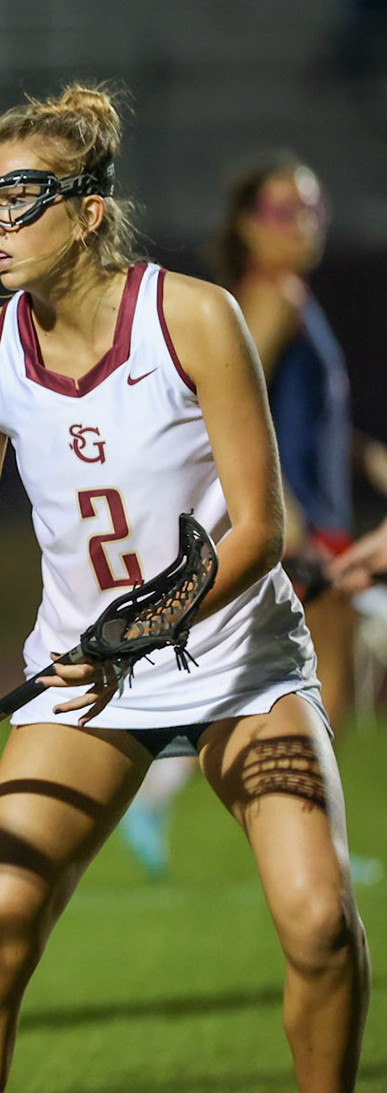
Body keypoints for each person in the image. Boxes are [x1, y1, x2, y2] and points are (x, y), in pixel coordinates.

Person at [0, 85, 369, 1093]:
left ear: (89, 209)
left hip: (239, 662)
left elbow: (260, 527)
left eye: (20, 197)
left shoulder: (196, 316)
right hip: (85, 680)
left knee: (320, 922)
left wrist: (143, 628)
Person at [120, 154, 387, 875]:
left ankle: (158, 790)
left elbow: (299, 412)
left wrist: (363, 456)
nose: (303, 226)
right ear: (246, 225)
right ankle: (308, 838)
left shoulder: (286, 293)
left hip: (316, 515)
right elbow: (234, 407)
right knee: (316, 679)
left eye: (312, 210)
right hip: (297, 525)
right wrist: (280, 505)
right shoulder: (270, 298)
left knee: (283, 676)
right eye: (282, 212)